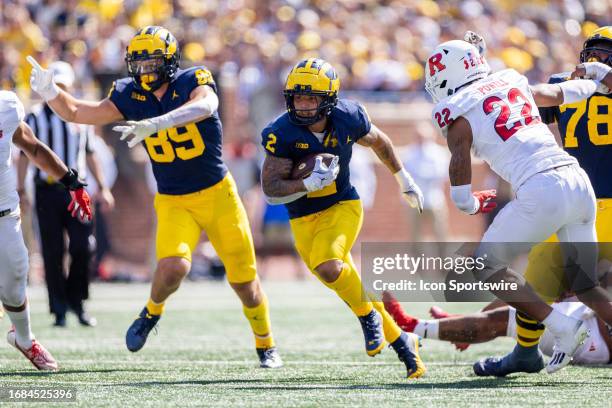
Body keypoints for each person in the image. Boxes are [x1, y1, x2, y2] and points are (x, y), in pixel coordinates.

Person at [28, 26, 282, 368]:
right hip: (173, 198)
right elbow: (77, 112)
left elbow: (206, 105)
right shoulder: (129, 94)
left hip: (218, 194)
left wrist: (159, 123)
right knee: (173, 266)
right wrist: (51, 93)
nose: (145, 71)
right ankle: (151, 312)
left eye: (152, 63)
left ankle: (265, 343)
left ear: (170, 62)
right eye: (139, 63)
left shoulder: (193, 80)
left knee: (244, 283)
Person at [425, 33, 612, 375]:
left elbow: (459, 155)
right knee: (585, 285)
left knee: (485, 266)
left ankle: (561, 325)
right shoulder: (508, 80)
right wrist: (597, 86)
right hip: (578, 180)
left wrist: (465, 202)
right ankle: (553, 332)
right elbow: (558, 93)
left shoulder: (455, 108)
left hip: (542, 188)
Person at [260, 57, 426, 378]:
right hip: (302, 216)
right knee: (340, 278)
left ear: (329, 99)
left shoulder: (348, 116)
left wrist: (404, 179)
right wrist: (305, 183)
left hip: (342, 206)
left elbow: (380, 142)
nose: (304, 105)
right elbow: (270, 189)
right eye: (298, 97)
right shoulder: (280, 132)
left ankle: (367, 319)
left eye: (311, 98)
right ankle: (405, 344)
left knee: (329, 265)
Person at [0, 90, 92, 371]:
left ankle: (24, 339)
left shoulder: (6, 106)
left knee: (16, 278)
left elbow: (34, 147)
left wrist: (71, 181)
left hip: (3, 213)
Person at [18, 61, 114, 328]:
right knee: (52, 250)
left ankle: (77, 300)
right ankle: (58, 307)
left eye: (63, 86)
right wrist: (20, 189)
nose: (59, 90)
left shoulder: (80, 120)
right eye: (55, 85)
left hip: (77, 189)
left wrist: (103, 188)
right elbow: (26, 153)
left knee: (84, 246)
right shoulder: (35, 117)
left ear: (70, 87)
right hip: (46, 190)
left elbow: (91, 153)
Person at [383, 292, 612, 366]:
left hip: (593, 339)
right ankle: (461, 325)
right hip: (588, 319)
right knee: (527, 288)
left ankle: (412, 326)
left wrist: (585, 290)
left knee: (511, 315)